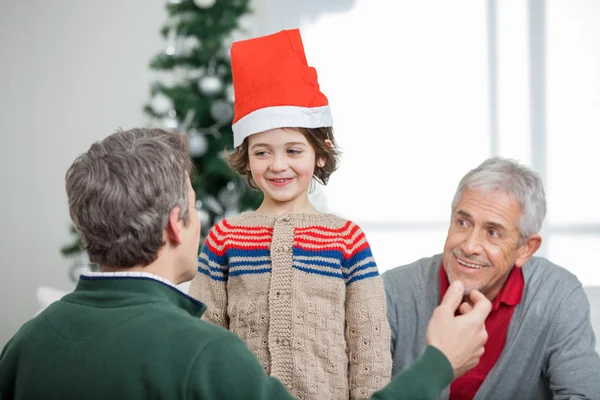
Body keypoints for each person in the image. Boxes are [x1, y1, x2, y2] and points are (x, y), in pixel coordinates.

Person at [0, 127, 490, 400]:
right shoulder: (206, 355)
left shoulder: (23, 347)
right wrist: (438, 363)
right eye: (194, 205)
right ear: (177, 224)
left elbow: (366, 347)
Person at [187, 28, 390, 399]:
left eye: (293, 151)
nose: (278, 165)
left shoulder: (346, 239)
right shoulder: (225, 238)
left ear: (321, 154)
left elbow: (369, 344)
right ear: (246, 157)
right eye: (263, 152)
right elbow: (206, 331)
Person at [383, 156, 600, 400]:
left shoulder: (558, 295)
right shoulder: (391, 291)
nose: (469, 246)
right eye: (463, 222)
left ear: (526, 249)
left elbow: (583, 395)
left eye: (493, 232)